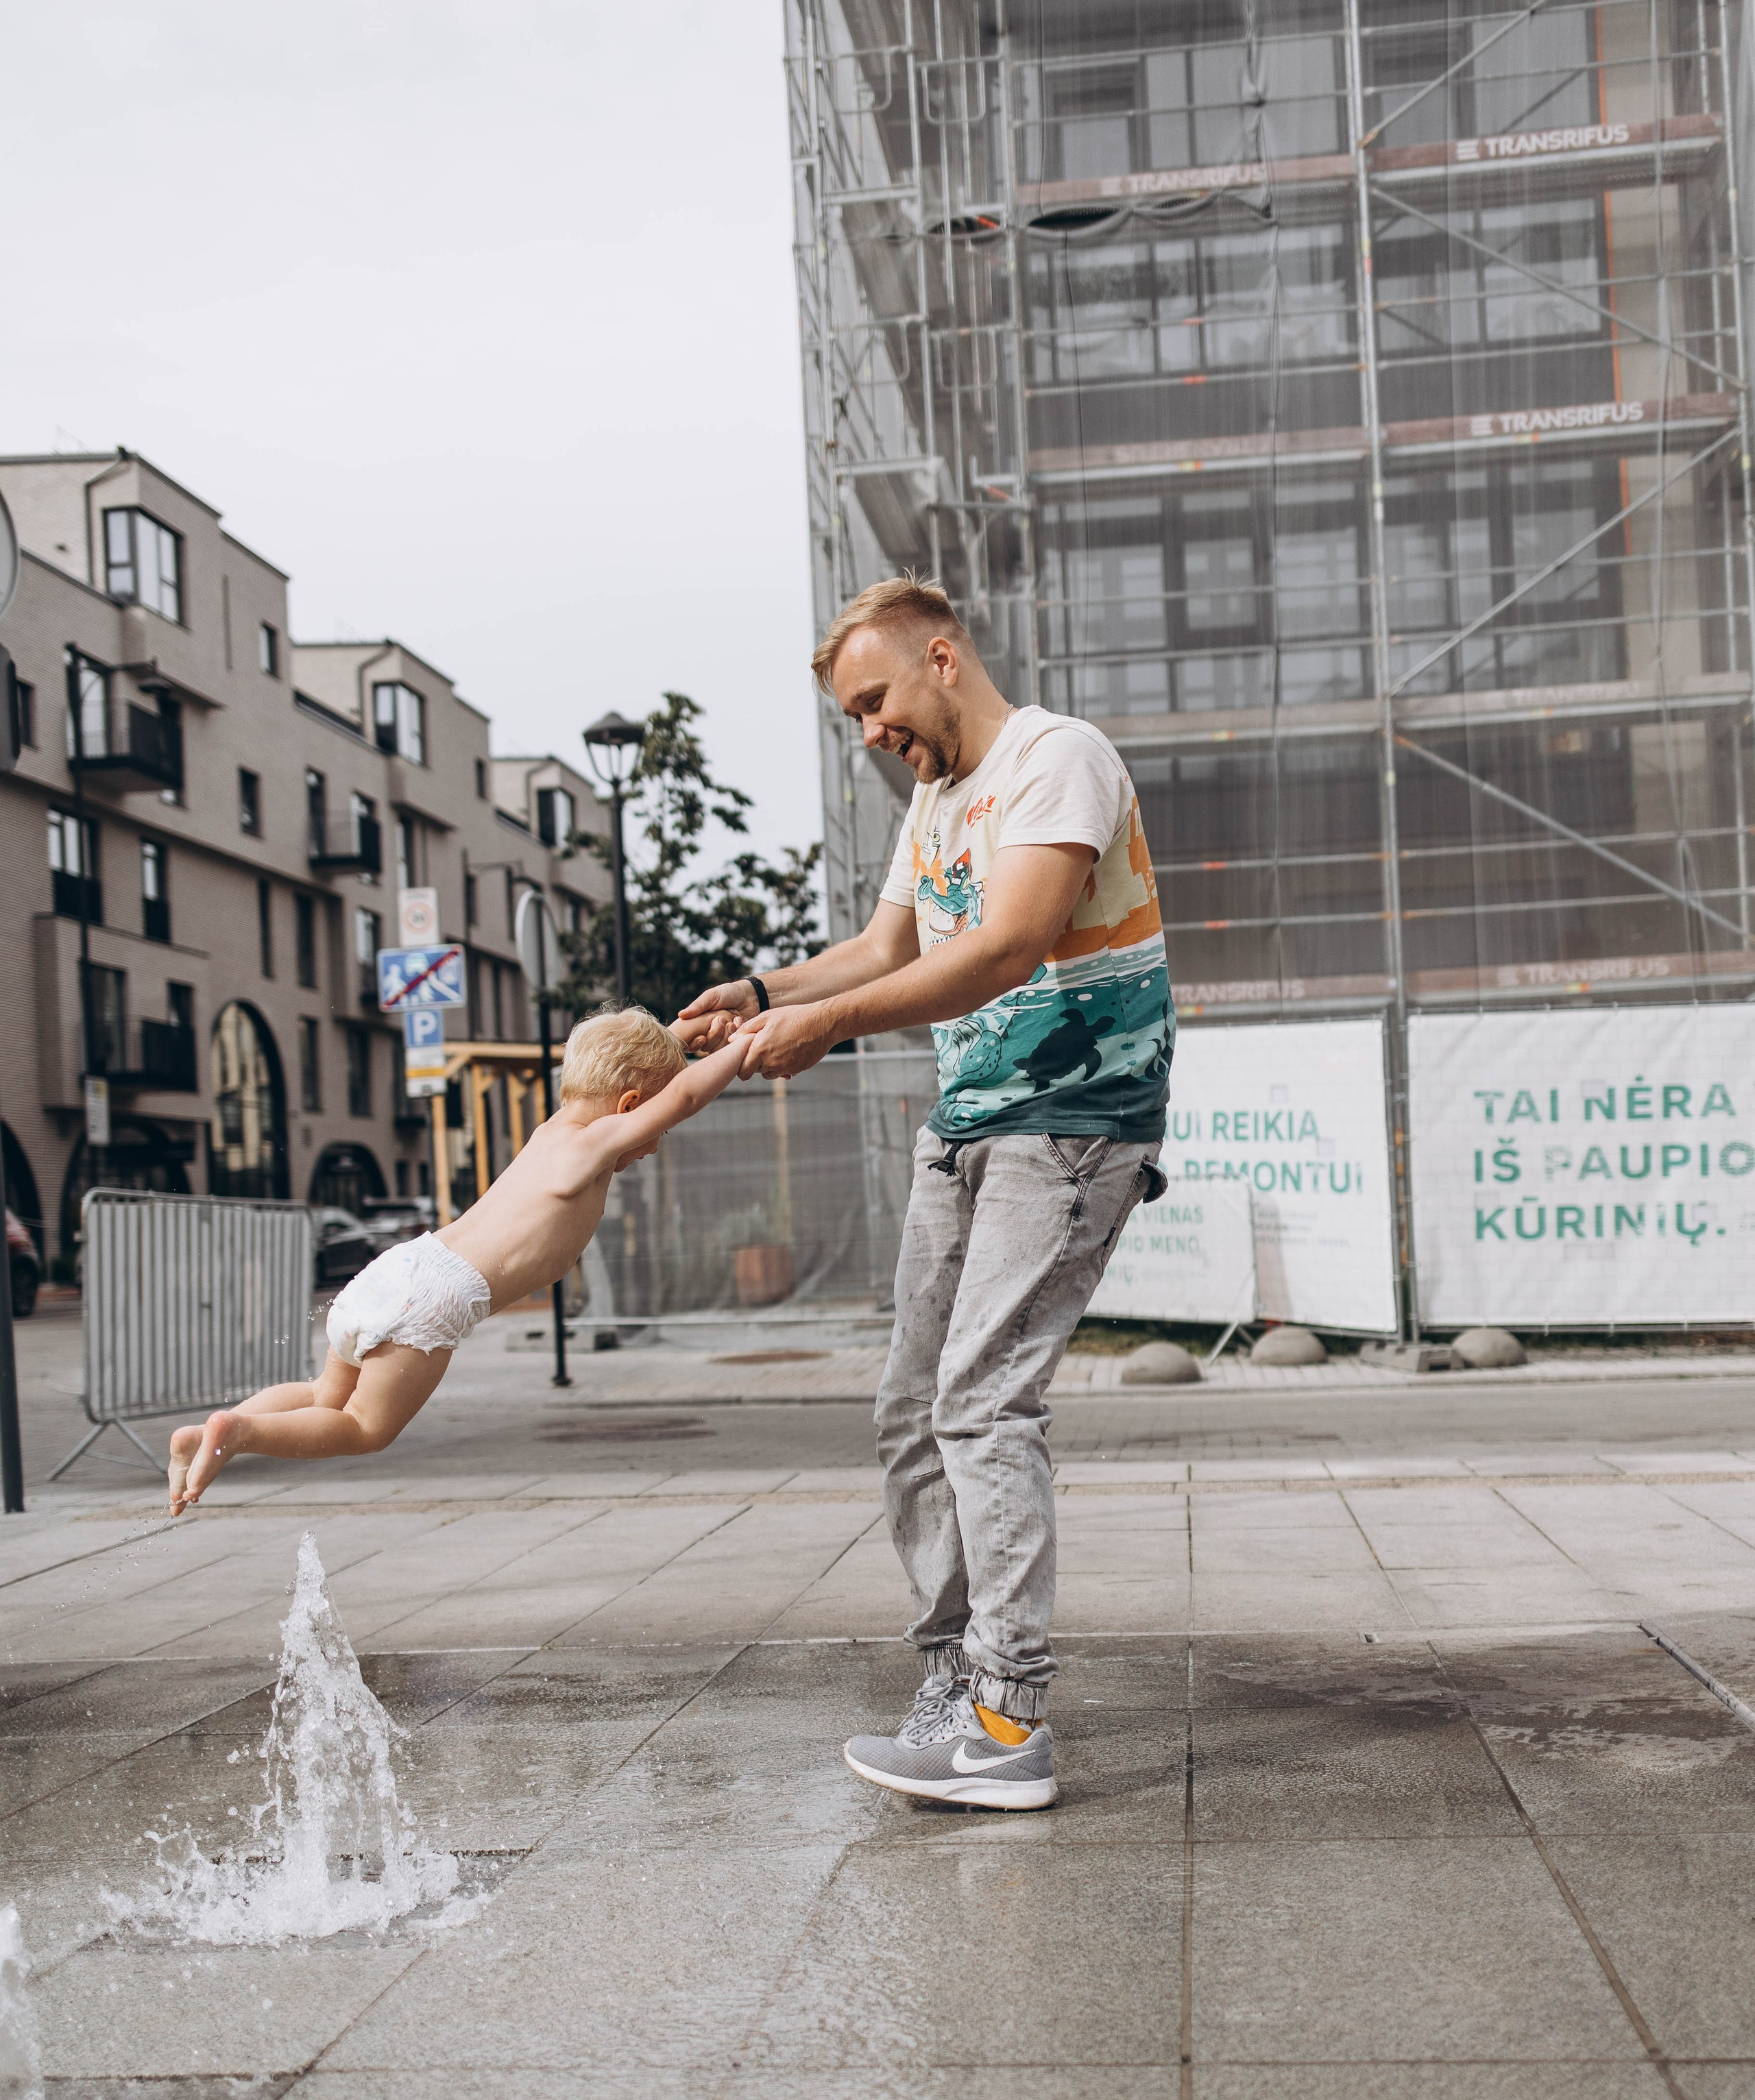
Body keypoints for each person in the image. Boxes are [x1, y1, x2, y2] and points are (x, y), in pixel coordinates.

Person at [681, 575, 1172, 1810]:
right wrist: (766, 992)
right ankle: (956, 1688)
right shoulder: (939, 798)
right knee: (911, 1413)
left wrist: (828, 1028)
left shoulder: (1058, 759)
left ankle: (1010, 1723)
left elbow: (1004, 946)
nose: (870, 734)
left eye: (876, 701)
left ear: (942, 657)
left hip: (1070, 1119)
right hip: (966, 1125)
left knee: (982, 1403)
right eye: (852, 717)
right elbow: (883, 950)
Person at [167, 1009, 751, 1512]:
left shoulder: (556, 1129)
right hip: (438, 1297)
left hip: (403, 1265)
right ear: (628, 1107)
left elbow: (644, 1073)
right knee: (364, 1429)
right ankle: (239, 1431)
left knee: (325, 1395)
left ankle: (206, 1432)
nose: (649, 1145)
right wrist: (747, 1045)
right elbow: (683, 1096)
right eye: (649, 1133)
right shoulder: (593, 1144)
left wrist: (684, 1038)